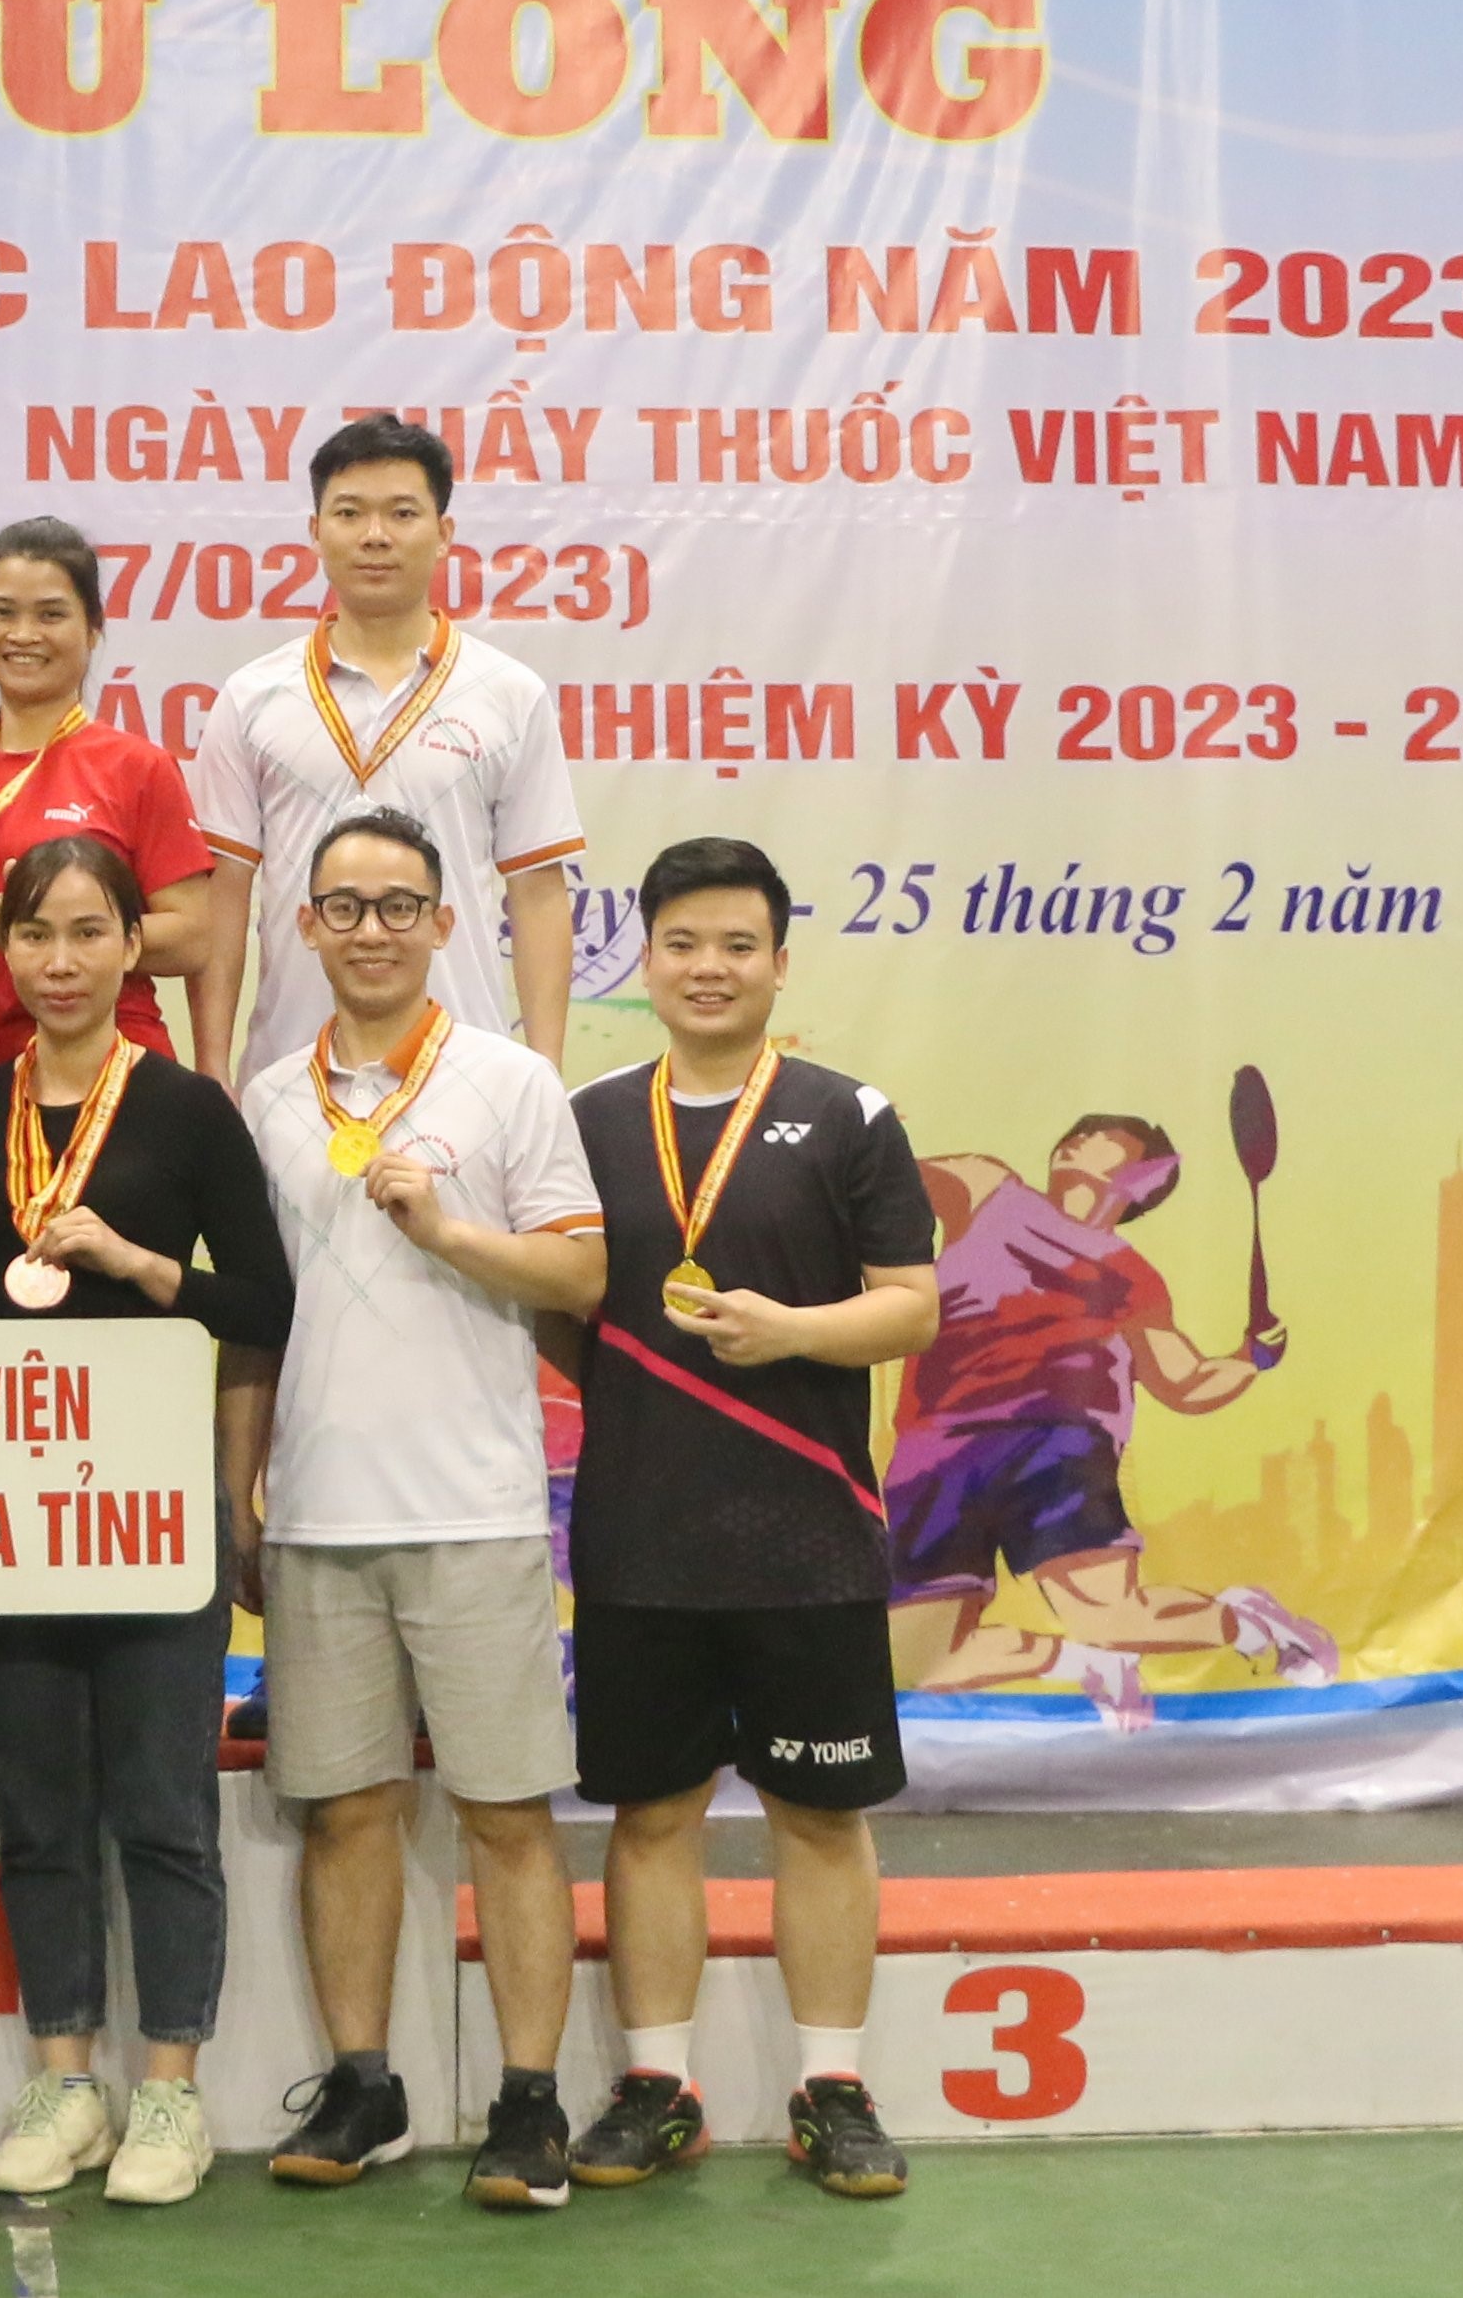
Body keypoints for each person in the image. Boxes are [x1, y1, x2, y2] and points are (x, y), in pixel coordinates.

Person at [560, 837, 941, 2204]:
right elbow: (562, 1306)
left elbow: (910, 1306)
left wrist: (792, 1332)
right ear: (645, 958)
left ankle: (831, 2088)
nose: (707, 968)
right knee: (649, 1814)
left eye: (736, 945)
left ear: (780, 962)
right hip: (638, 1538)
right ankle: (653, 2084)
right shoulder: (587, 1119)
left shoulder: (850, 1116)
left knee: (820, 1816)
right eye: (681, 943)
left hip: (808, 1534)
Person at [239, 809, 610, 2210]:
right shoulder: (269, 1099)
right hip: (316, 1514)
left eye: (399, 904)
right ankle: (364, 2085)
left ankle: (528, 2101)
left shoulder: (511, 1081)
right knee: (344, 1812)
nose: (372, 929)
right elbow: (255, 1318)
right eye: (344, 905)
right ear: (306, 926)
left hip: (475, 1509)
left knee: (504, 1813)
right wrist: (239, 1492)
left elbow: (580, 1277)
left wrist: (450, 1230)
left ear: (446, 925)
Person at [0, 836, 287, 2206]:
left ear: (137, 945)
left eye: (89, 932)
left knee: (160, 1806)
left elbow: (265, 1302)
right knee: (36, 1807)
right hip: (5, 1510)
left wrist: (137, 1264)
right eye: (36, 934)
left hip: (150, 1502)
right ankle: (65, 2078)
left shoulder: (188, 1110)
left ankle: (169, 2093)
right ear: (2, 950)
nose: (61, 961)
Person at [887, 1116, 1331, 1724]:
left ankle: (1247, 1624)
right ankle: (1085, 1666)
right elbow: (887, 1175)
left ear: (1144, 1177)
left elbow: (1185, 1382)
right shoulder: (986, 1186)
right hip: (931, 1452)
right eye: (1074, 1133)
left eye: (1104, 1137)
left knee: (1112, 1618)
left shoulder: (1131, 1275)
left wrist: (1250, 1359)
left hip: (1055, 1442)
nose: (1077, 1138)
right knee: (914, 1659)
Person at [188, 418, 583, 1085]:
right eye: (349, 513)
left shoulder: (509, 694)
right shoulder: (252, 697)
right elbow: (223, 898)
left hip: (466, 1075)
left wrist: (543, 1075)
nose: (375, 535)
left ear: (444, 533)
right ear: (315, 531)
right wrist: (212, 1069)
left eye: (402, 513)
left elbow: (538, 895)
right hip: (291, 1071)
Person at [0, 517, 217, 1096]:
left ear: (93, 629)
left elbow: (192, 938)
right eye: (1, 612)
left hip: (114, 1076)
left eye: (50, 615)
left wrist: (59, 929)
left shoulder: (138, 768)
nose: (23, 634)